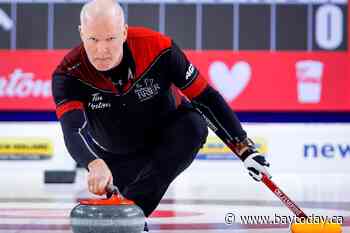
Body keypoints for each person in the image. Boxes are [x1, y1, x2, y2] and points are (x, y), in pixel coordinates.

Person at [52, 0, 271, 231]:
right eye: (93, 39)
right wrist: (93, 164)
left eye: (111, 39)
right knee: (125, 213)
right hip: (114, 154)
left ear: (124, 32)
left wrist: (244, 147)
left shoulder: (158, 48)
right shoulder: (68, 74)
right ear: (81, 33)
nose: (102, 50)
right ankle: (131, 215)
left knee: (194, 126)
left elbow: (205, 98)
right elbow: (72, 130)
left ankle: (130, 214)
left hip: (167, 139)